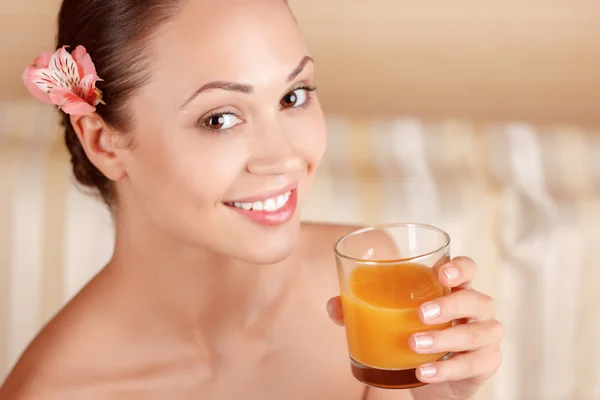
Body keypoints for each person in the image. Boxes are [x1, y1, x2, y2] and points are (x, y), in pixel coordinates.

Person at [0, 0, 503, 399]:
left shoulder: (367, 285)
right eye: (219, 118)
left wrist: (439, 399)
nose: (284, 156)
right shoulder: (59, 392)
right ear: (104, 141)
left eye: (293, 96)